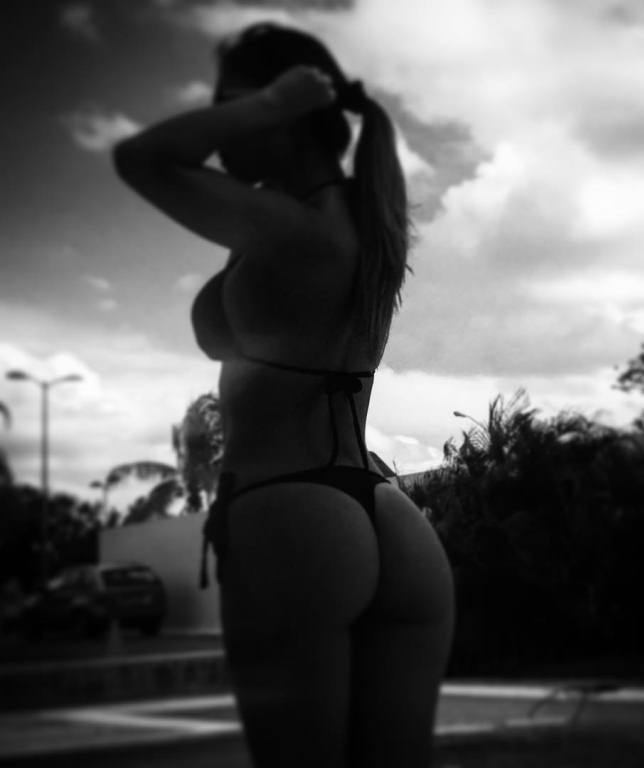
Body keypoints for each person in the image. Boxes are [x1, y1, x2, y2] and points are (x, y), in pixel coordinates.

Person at [113, 22, 455, 768]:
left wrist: (269, 102)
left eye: (230, 104)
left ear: (288, 108)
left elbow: (139, 159)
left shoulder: (281, 225)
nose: (221, 127)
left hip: (294, 519)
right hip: (389, 517)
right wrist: (273, 108)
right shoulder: (363, 219)